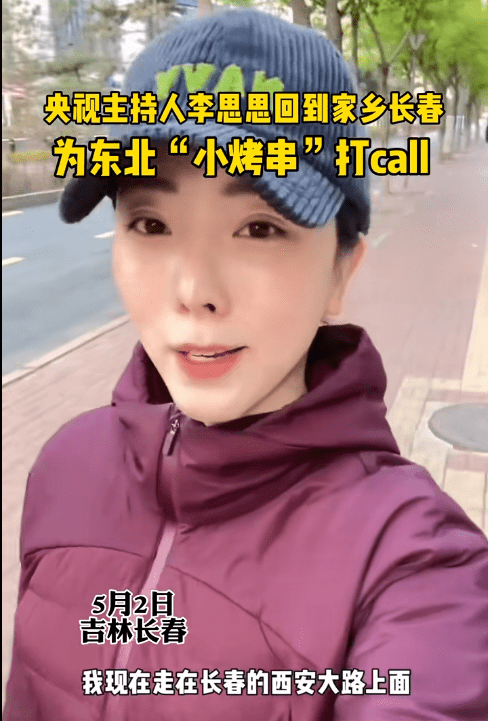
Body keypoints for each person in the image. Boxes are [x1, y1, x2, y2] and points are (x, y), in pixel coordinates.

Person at [4, 9, 488, 720]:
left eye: (260, 229)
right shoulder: (67, 466)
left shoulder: (410, 561)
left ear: (342, 271)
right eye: (151, 224)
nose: (195, 290)